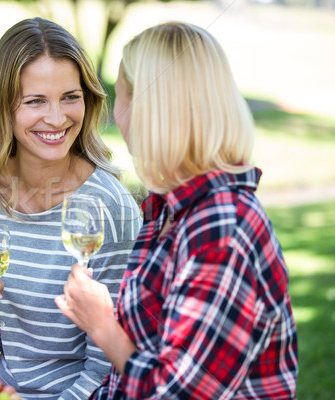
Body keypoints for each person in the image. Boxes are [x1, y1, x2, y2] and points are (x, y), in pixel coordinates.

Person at [56, 22, 299, 399]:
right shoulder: (174, 210)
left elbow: (176, 393)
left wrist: (102, 325)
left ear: (148, 111)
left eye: (119, 96)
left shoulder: (222, 228)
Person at [0, 17, 141, 400]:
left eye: (70, 96)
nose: (56, 118)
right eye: (36, 101)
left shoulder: (110, 207)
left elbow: (107, 367)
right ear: (4, 107)